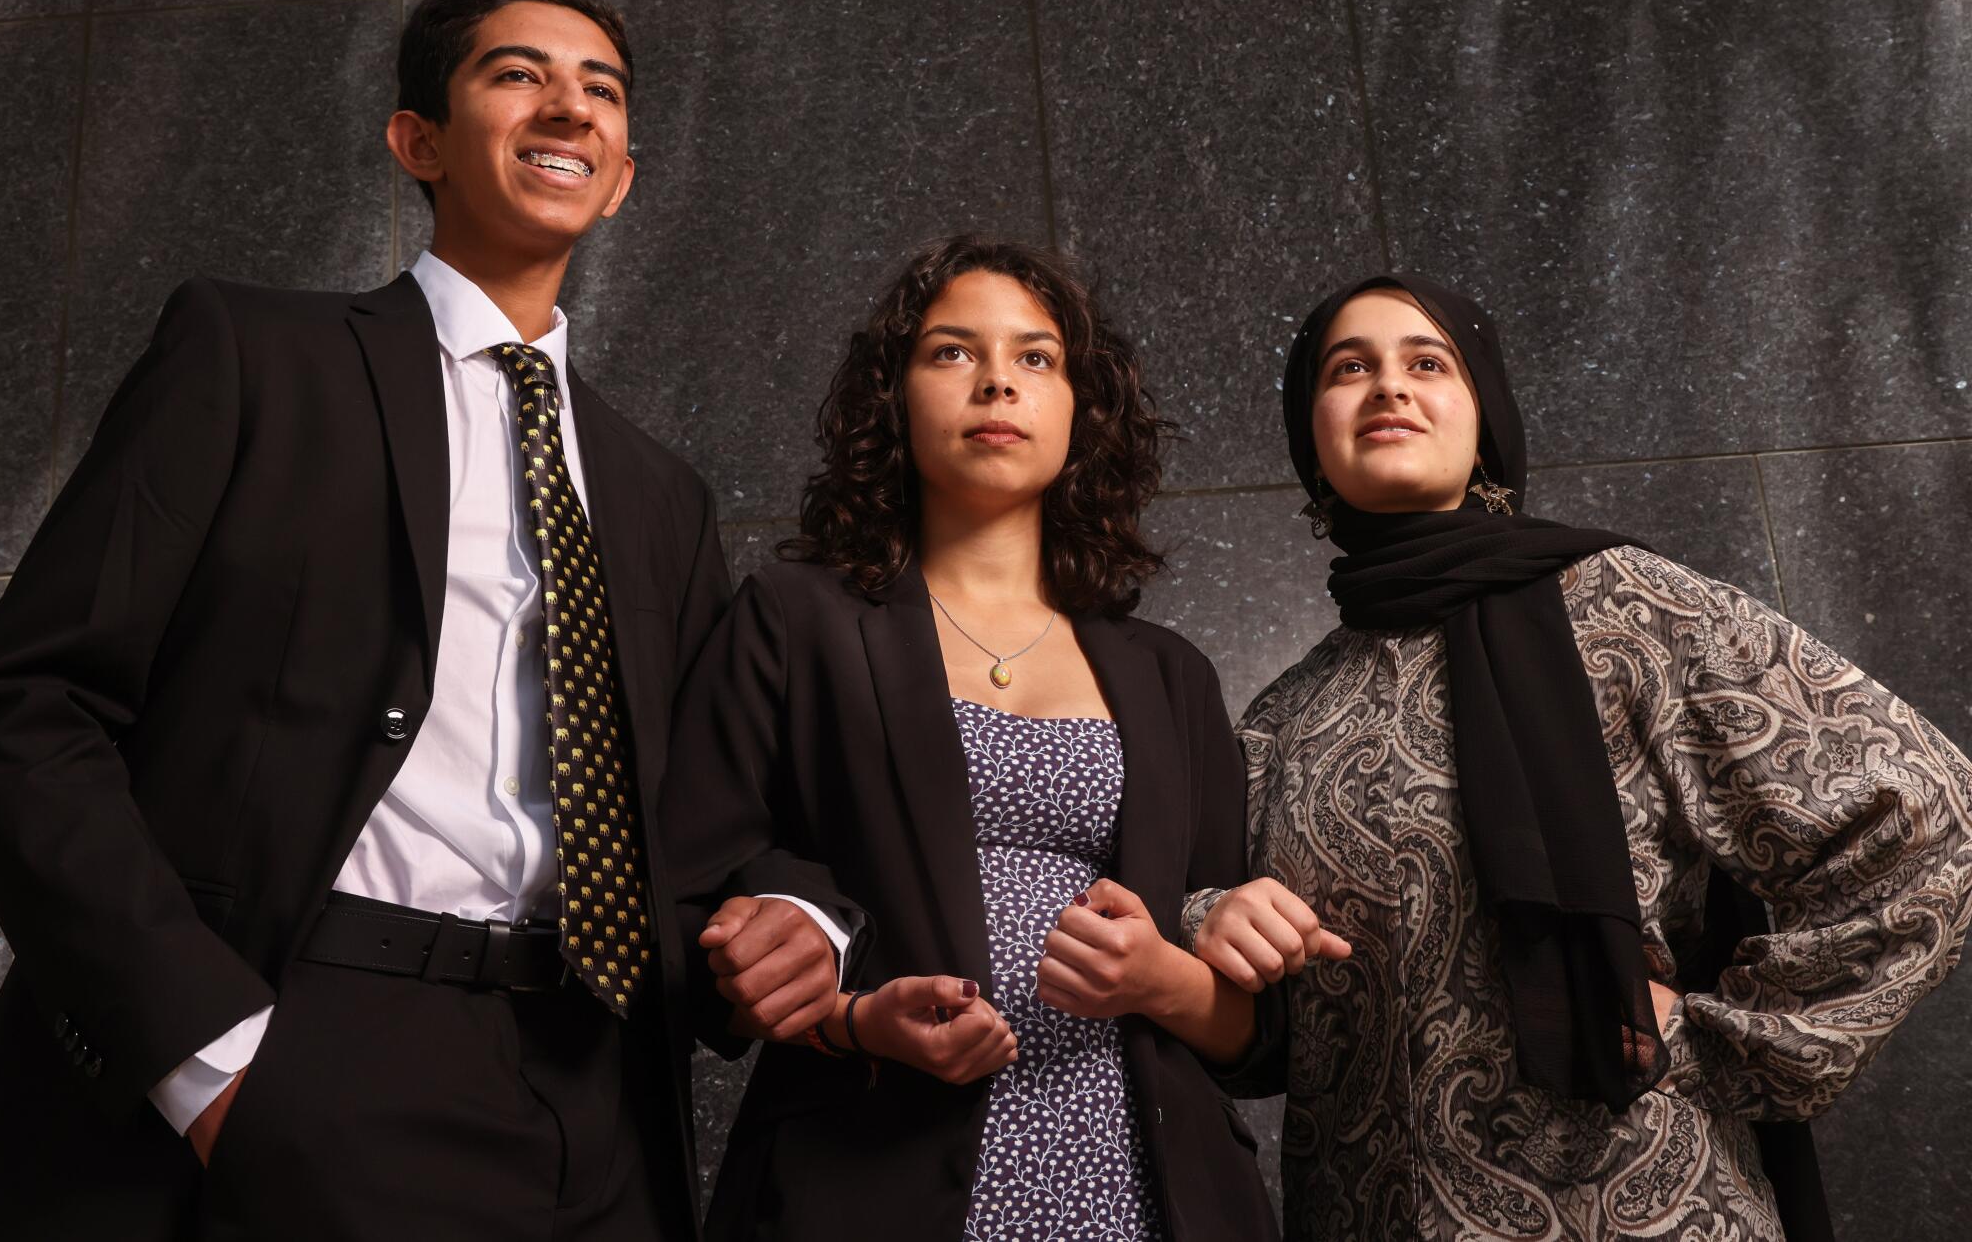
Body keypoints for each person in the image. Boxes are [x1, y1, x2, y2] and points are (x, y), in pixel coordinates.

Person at [0, 0, 850, 1241]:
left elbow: (716, 811)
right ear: (416, 141)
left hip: (594, 1090)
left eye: (599, 92)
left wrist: (807, 913)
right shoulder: (250, 357)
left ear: (622, 176)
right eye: (518, 76)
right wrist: (204, 1055)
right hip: (305, 1030)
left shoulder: (663, 497)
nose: (568, 110)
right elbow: (23, 702)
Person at [1188, 274, 1972, 1241]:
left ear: (1486, 417)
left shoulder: (1622, 610)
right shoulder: (1286, 716)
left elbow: (1926, 816)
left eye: (1427, 363)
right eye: (1349, 369)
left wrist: (1714, 1039)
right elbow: (1271, 1043)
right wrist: (1206, 921)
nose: (1388, 386)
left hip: (1640, 1208)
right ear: (1312, 438)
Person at [660, 236, 1311, 1241]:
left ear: (1079, 413)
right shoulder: (794, 621)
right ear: (894, 399)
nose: (997, 379)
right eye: (951, 352)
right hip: (864, 1171)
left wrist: (1158, 975)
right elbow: (695, 918)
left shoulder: (1167, 673)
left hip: (1141, 1185)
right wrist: (851, 1019)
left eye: (1035, 358)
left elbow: (1248, 1031)